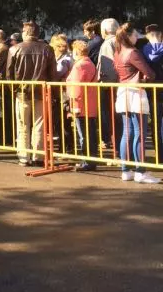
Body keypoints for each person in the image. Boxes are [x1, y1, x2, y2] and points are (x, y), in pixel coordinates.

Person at [113, 23, 160, 183]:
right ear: (128, 36)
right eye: (134, 35)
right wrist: (144, 78)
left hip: (123, 92)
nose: (137, 37)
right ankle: (140, 172)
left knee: (127, 132)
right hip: (136, 94)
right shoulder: (133, 52)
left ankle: (126, 170)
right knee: (139, 133)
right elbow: (150, 74)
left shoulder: (118, 52)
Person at [6, 21, 57, 166]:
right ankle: (38, 157)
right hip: (41, 92)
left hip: (22, 93)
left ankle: (24, 157)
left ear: (25, 33)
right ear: (37, 33)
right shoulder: (47, 49)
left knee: (23, 126)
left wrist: (14, 90)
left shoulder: (14, 49)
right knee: (39, 125)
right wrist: (53, 93)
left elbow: (9, 75)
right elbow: (53, 74)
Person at [66, 40, 99, 170]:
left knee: (84, 135)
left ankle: (87, 162)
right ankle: (91, 160)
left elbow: (76, 88)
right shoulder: (89, 63)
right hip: (89, 104)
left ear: (76, 52)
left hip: (81, 106)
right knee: (90, 134)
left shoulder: (79, 66)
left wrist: (75, 107)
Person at [97, 18, 120, 150]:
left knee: (111, 116)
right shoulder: (121, 40)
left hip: (110, 86)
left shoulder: (107, 44)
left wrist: (105, 84)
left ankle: (115, 145)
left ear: (105, 30)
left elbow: (108, 68)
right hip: (120, 84)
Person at [142, 23, 163, 153]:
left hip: (153, 92)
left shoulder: (144, 49)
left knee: (156, 123)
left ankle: (160, 155)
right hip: (156, 91)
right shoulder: (147, 48)